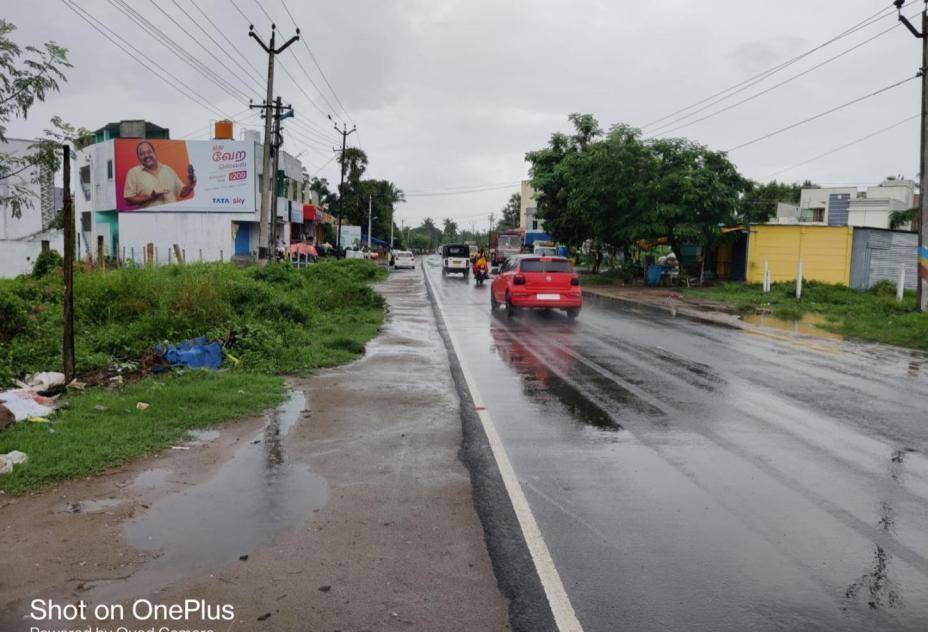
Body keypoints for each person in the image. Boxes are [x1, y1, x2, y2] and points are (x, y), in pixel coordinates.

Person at [123, 141, 195, 208]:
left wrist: (191, 184)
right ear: (138, 158)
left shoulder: (167, 169)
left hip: (172, 217)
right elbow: (128, 199)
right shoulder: (133, 173)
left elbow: (182, 193)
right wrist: (150, 197)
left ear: (154, 153)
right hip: (150, 219)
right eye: (142, 154)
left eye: (149, 152)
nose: (146, 156)